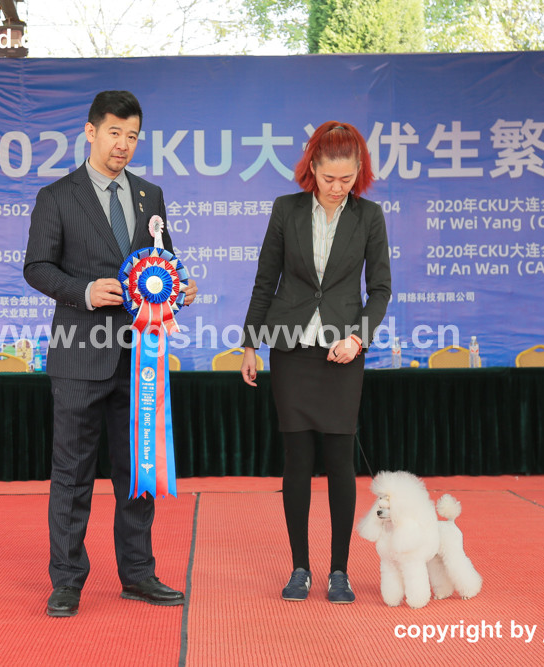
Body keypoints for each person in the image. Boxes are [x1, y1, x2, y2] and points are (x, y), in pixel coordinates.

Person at [24, 90, 197, 617]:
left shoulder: (150, 195)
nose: (123, 144)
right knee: (72, 474)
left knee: (138, 472)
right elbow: (37, 266)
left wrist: (180, 288)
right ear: (91, 132)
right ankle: (67, 580)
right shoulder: (58, 196)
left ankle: (138, 574)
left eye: (132, 136)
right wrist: (82, 291)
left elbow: (162, 262)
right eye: (115, 133)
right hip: (80, 354)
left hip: (140, 358)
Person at [240, 121, 391, 604]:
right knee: (298, 460)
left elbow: (380, 289)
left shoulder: (369, 217)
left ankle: (339, 571)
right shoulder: (285, 210)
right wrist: (250, 343)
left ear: (359, 171)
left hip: (342, 352)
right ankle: (300, 568)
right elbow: (266, 279)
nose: (337, 187)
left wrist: (358, 338)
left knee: (340, 460)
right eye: (329, 177)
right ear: (312, 168)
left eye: (347, 178)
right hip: (290, 350)